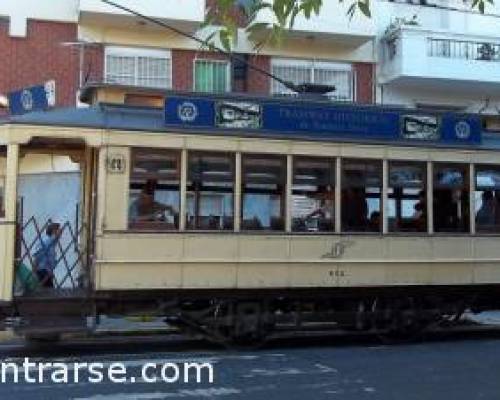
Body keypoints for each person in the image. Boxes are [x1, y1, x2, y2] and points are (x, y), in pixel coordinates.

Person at [33, 222, 61, 288]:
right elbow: (37, 255)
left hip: (46, 272)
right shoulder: (47, 241)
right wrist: (34, 271)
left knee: (48, 293)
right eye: (59, 230)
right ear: (54, 231)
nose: (61, 233)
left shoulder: (52, 242)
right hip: (43, 272)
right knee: (47, 293)